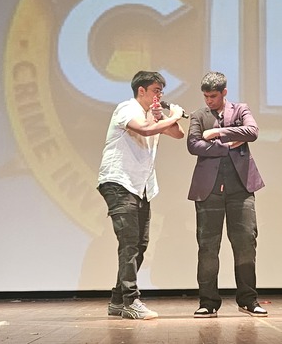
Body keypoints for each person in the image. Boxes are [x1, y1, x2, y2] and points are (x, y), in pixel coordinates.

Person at [97, 71, 185, 320]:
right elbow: (145, 131)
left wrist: (165, 117)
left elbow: (178, 134)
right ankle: (131, 301)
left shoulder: (151, 115)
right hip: (119, 182)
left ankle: (117, 301)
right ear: (141, 90)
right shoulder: (127, 108)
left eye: (162, 91)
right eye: (156, 90)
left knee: (140, 244)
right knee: (129, 243)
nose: (160, 95)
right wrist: (173, 115)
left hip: (141, 187)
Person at [186, 71, 267, 318]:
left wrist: (216, 134)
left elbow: (252, 131)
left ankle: (248, 299)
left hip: (240, 189)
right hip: (208, 190)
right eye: (206, 96)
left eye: (213, 96)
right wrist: (227, 144)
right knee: (208, 247)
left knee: (246, 243)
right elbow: (193, 144)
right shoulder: (198, 115)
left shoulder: (240, 109)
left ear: (224, 92)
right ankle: (208, 302)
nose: (209, 100)